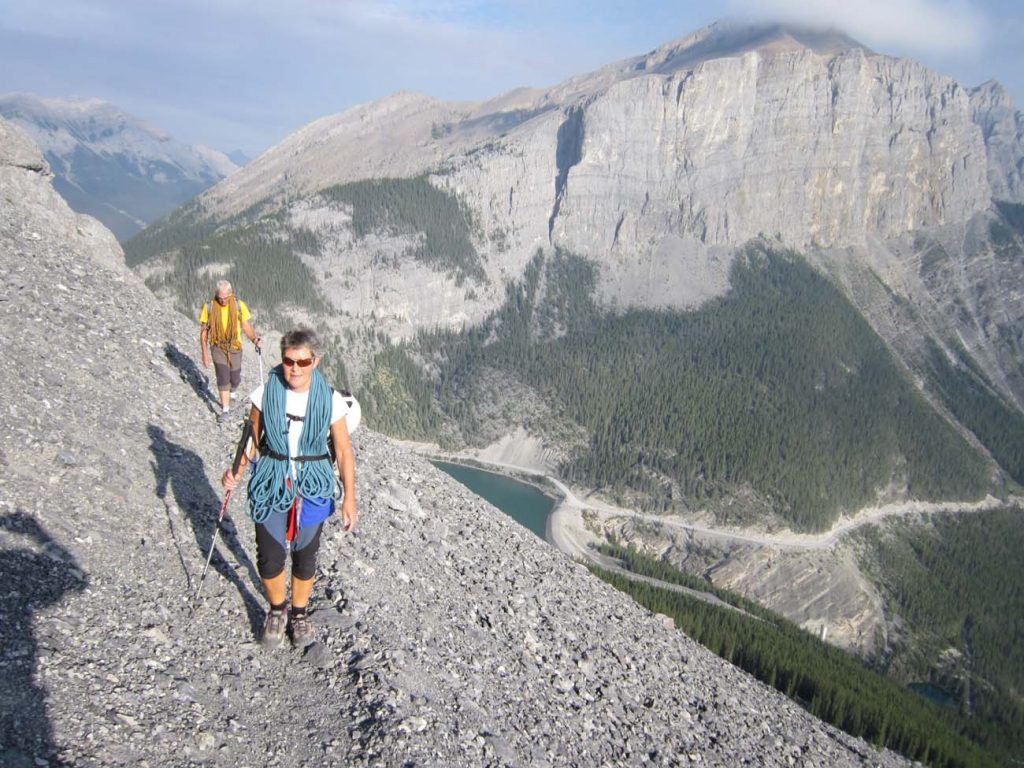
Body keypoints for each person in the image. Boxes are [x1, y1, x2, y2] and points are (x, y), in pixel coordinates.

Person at [222, 327, 357, 649]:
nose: (295, 368)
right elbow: (251, 438)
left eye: (303, 362)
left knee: (304, 556)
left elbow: (343, 450)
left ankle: (298, 614)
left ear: (315, 361)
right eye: (289, 361)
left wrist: (349, 499)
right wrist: (236, 471)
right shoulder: (266, 393)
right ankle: (277, 609)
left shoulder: (330, 400)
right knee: (269, 556)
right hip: (272, 479)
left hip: (313, 484)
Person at [200, 279, 263, 423]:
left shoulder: (239, 306)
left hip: (235, 346)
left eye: (225, 298)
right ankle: (225, 410)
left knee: (235, 377)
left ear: (230, 294)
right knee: (223, 376)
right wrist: (204, 353)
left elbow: (246, 326)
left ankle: (232, 391)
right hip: (217, 346)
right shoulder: (209, 307)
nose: (222, 301)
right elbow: (204, 332)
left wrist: (254, 339)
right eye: (220, 298)